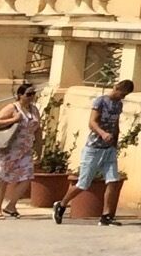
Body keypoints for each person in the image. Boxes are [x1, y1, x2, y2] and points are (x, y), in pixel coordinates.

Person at [56, 78, 133, 225]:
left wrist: (115, 142)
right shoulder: (100, 102)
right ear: (116, 88)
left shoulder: (119, 105)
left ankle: (106, 215)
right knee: (84, 183)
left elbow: (116, 123)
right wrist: (102, 133)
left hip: (108, 149)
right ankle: (62, 204)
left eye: (125, 95)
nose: (122, 97)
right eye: (122, 93)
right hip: (94, 148)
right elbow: (92, 122)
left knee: (112, 181)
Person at [0, 82, 42, 218]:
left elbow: (38, 129)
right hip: (8, 148)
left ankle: (11, 205)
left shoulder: (34, 110)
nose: (31, 97)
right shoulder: (12, 108)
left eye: (33, 94)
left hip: (25, 149)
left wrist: (39, 148)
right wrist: (14, 119)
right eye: (28, 94)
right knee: (2, 178)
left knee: (27, 177)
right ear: (20, 95)